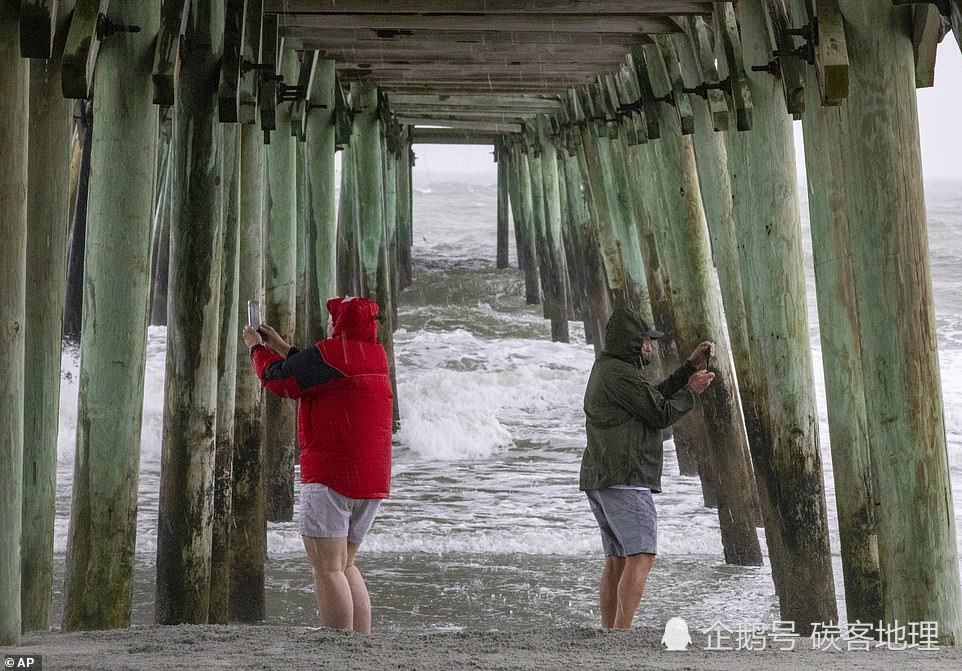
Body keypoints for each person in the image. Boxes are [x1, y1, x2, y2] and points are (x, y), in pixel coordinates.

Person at [243, 296, 393, 635]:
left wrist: (256, 348)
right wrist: (282, 346)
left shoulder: (331, 354)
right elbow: (316, 371)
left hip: (332, 475)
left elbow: (277, 380)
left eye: (333, 318)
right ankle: (360, 642)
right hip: (371, 479)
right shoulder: (374, 355)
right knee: (345, 563)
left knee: (327, 567)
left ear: (340, 325)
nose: (328, 325)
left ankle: (338, 645)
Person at [579, 306, 715, 630]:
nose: (650, 347)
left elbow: (650, 399)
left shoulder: (608, 369)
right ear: (631, 343)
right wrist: (691, 392)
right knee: (641, 556)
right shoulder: (621, 375)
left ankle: (610, 631)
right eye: (646, 342)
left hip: (602, 478)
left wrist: (687, 369)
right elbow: (660, 414)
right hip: (625, 479)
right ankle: (622, 632)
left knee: (616, 561)